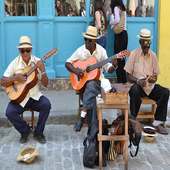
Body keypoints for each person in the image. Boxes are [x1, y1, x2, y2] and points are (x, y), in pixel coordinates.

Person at [65, 26, 118, 132]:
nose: (86, 42)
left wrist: (114, 66)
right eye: (85, 39)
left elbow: (108, 68)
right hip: (83, 84)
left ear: (94, 41)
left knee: (93, 86)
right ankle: (93, 131)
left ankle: (82, 119)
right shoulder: (80, 51)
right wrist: (77, 71)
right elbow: (67, 63)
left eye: (89, 40)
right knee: (91, 87)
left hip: (99, 82)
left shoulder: (101, 51)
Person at [1, 36, 51, 143]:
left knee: (46, 105)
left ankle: (38, 133)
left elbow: (46, 84)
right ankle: (25, 131)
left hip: (34, 97)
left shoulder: (38, 62)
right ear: (19, 50)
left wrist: (43, 71)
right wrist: (15, 78)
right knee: (9, 112)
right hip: (20, 99)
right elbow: (2, 81)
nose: (25, 53)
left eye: (27, 50)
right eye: (22, 50)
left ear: (31, 50)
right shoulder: (15, 63)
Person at [124, 28, 169, 135]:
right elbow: (128, 75)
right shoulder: (134, 54)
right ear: (140, 42)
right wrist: (138, 81)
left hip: (150, 87)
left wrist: (153, 79)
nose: (147, 46)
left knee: (165, 92)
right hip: (138, 86)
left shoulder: (153, 56)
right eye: (144, 43)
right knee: (134, 89)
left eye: (148, 43)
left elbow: (155, 76)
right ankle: (134, 119)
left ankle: (158, 122)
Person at [110, 0, 128, 83]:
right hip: (124, 34)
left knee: (117, 58)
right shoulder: (123, 9)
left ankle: (120, 81)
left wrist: (111, 22)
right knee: (122, 59)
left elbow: (117, 20)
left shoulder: (116, 8)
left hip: (119, 35)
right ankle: (124, 81)